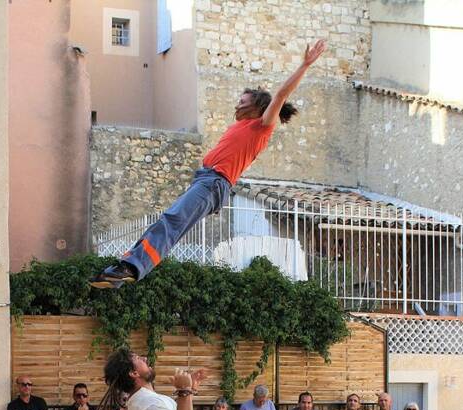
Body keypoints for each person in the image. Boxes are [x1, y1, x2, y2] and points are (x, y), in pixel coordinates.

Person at [90, 40, 327, 289]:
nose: (237, 104)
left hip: (215, 183)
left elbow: (280, 95)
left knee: (171, 221)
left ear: (257, 107)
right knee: (168, 222)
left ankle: (129, 269)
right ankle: (125, 267)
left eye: (242, 100)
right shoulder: (241, 126)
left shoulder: (262, 127)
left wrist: (305, 64)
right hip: (204, 180)